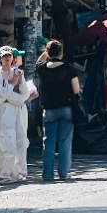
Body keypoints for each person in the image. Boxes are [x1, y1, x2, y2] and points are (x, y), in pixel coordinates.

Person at [36, 39, 82, 182]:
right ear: (61, 53)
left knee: (48, 142)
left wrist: (46, 53)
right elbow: (76, 90)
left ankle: (47, 175)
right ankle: (63, 172)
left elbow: (38, 62)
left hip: (49, 109)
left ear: (48, 52)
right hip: (66, 108)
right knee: (65, 141)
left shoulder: (42, 68)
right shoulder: (68, 68)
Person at [0, 46, 35, 182]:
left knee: (21, 142)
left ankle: (19, 173)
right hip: (5, 111)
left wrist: (20, 82)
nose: (7, 58)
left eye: (9, 55)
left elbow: (25, 95)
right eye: (4, 56)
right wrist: (12, 85)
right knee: (6, 142)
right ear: (0, 58)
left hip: (19, 111)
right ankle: (4, 174)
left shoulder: (16, 72)